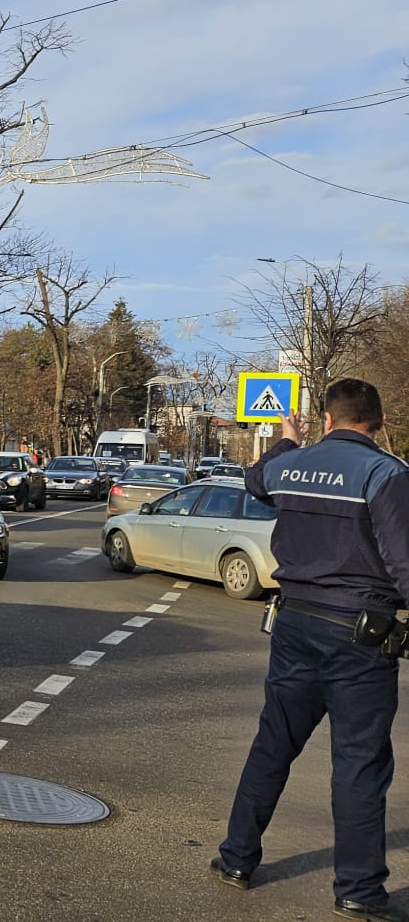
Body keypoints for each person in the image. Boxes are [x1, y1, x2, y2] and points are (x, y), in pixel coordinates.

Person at [213, 379, 409, 922]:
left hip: (294, 626)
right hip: (360, 637)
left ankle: (236, 859)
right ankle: (359, 891)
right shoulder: (385, 473)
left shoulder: (292, 465)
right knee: (359, 762)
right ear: (379, 422)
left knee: (273, 744)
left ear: (326, 419)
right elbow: (403, 560)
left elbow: (255, 479)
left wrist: (286, 438)